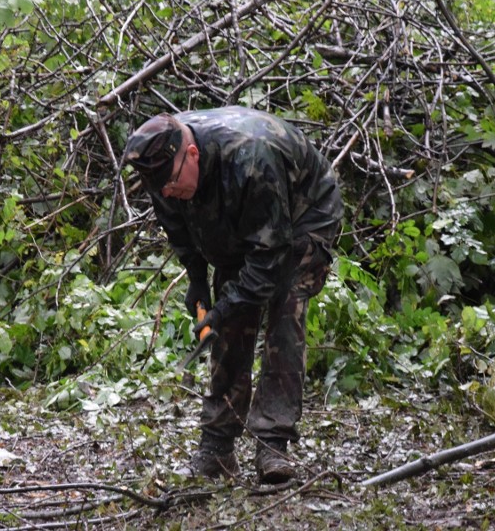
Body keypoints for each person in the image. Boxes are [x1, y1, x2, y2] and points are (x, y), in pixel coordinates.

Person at [123, 106, 343, 483]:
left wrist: (226, 306)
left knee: (283, 312)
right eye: (162, 189)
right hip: (242, 219)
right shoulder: (161, 170)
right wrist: (197, 279)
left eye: (173, 184)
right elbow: (178, 225)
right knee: (230, 317)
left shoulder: (251, 157)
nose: (167, 193)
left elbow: (270, 254)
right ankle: (218, 448)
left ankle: (273, 444)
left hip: (304, 213)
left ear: (191, 154)